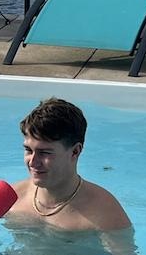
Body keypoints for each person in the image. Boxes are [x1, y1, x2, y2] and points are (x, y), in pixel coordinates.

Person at [7, 97, 131, 233]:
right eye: (28, 150)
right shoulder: (10, 198)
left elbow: (124, 248)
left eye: (45, 152)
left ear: (75, 151)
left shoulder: (104, 212)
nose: (32, 162)